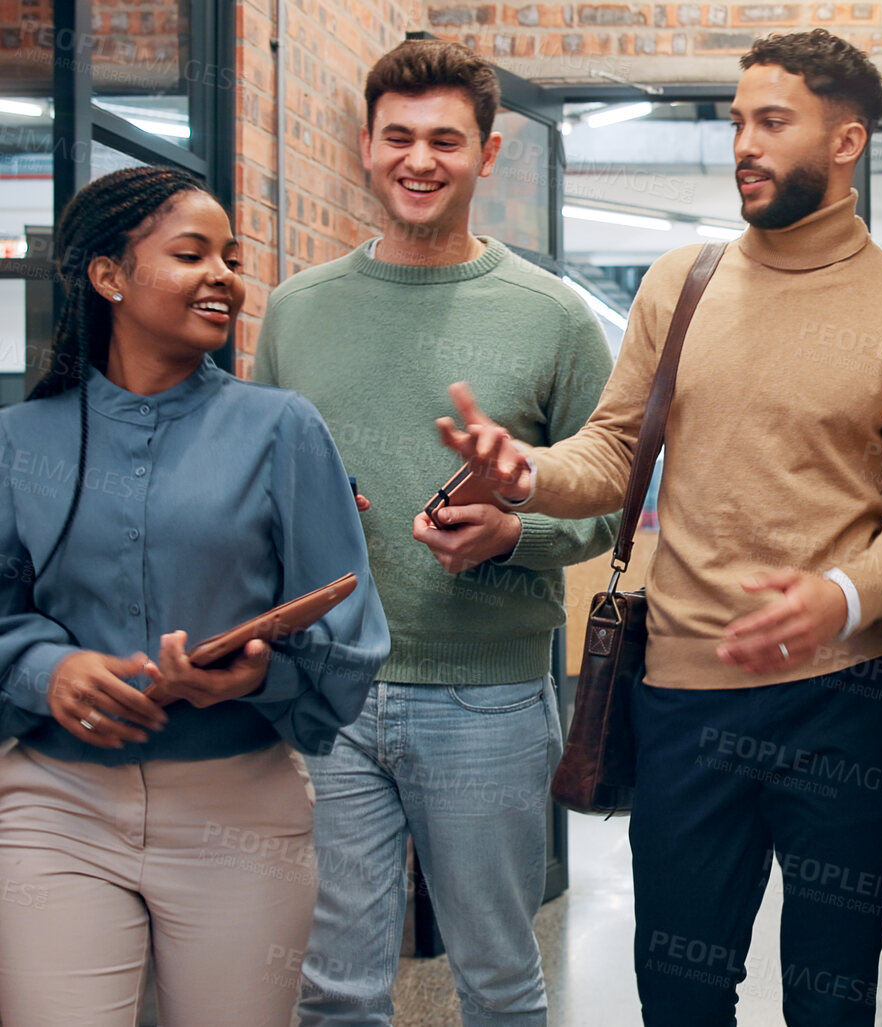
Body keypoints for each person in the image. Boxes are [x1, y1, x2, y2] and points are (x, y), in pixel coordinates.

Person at [437, 29, 882, 1025]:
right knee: (679, 990)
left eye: (773, 122)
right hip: (681, 700)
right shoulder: (685, 284)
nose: (744, 146)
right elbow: (608, 450)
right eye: (737, 124)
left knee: (831, 994)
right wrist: (525, 475)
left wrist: (839, 594)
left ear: (846, 141)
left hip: (837, 702)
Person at [255, 40, 618, 1027]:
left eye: (446, 141)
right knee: (334, 992)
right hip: (328, 696)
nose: (420, 160)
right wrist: (304, 516)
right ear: (367, 146)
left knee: (499, 983)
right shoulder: (294, 312)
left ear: (486, 155)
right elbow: (254, 485)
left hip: (490, 697)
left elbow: (610, 497)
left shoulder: (554, 320)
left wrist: (510, 533)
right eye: (399, 137)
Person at [0, 166, 389, 1026]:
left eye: (231, 257)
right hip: (55, 803)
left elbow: (352, 632)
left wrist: (252, 677)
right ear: (108, 276)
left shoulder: (284, 428)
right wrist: (46, 670)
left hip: (238, 807)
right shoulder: (18, 438)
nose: (224, 276)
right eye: (192, 254)